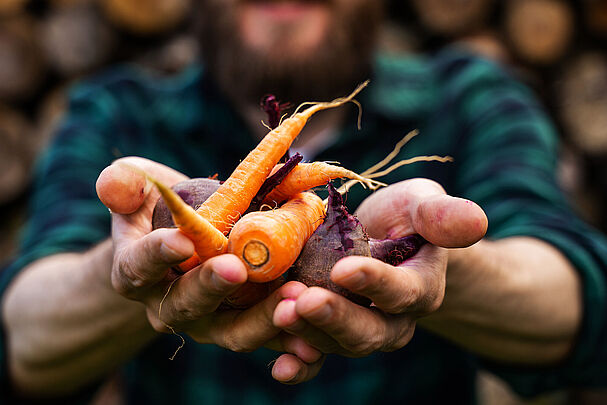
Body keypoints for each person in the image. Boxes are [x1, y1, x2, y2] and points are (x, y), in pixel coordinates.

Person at [2, 0, 607, 403]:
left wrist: (445, 264)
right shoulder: (116, 112)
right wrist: (137, 273)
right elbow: (23, 337)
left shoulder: (472, 99)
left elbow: (582, 304)